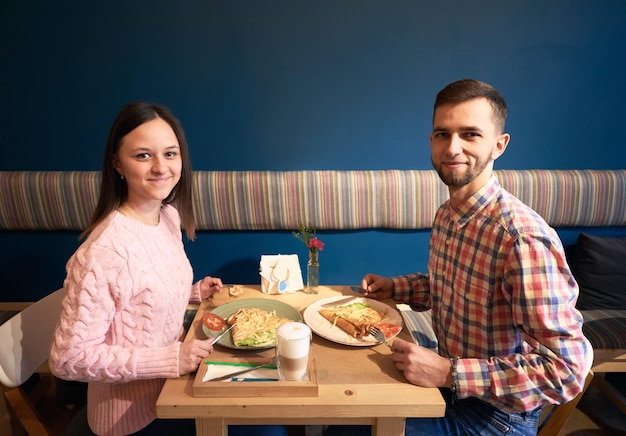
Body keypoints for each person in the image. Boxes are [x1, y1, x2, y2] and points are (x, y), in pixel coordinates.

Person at [328, 79, 592, 436]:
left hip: (497, 418)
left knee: (351, 431)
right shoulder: (448, 214)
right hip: (449, 392)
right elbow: (450, 289)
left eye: (470, 134)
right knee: (345, 412)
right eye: (442, 134)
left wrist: (447, 373)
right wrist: (397, 288)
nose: (453, 148)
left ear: (499, 145)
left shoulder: (522, 238)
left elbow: (565, 371)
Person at [49, 102, 288, 436]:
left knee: (270, 410)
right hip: (135, 418)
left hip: (176, 388)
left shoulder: (167, 216)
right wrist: (170, 360)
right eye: (143, 155)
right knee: (268, 431)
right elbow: (68, 359)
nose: (161, 167)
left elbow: (137, 303)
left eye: (170, 154)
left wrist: (190, 293)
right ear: (117, 164)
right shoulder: (103, 253)